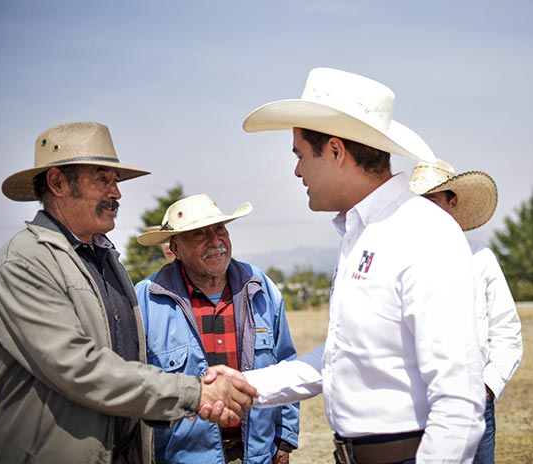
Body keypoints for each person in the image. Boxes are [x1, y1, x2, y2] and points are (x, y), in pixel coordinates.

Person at [206, 67, 487, 463]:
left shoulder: (421, 231)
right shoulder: (362, 233)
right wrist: (247, 384)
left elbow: (458, 398)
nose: (297, 170)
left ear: (336, 151)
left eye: (301, 155)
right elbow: (344, 354)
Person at [0, 121, 256, 464]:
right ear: (57, 182)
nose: (117, 193)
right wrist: (194, 392)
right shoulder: (25, 261)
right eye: (103, 179)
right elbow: (78, 368)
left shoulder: (106, 259)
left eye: (116, 181)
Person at [135, 193, 300, 464]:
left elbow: (285, 363)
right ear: (174, 248)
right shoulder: (147, 299)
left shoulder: (260, 287)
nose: (215, 242)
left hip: (256, 454)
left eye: (219, 229)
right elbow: (135, 380)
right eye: (198, 234)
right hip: (182, 458)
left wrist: (285, 436)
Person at [409, 159, 524, 464]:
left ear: (453, 202)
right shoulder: (401, 261)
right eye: (417, 203)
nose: (424, 211)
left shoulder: (481, 259)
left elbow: (506, 328)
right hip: (416, 404)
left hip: (474, 399)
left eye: (432, 200)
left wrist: (488, 386)